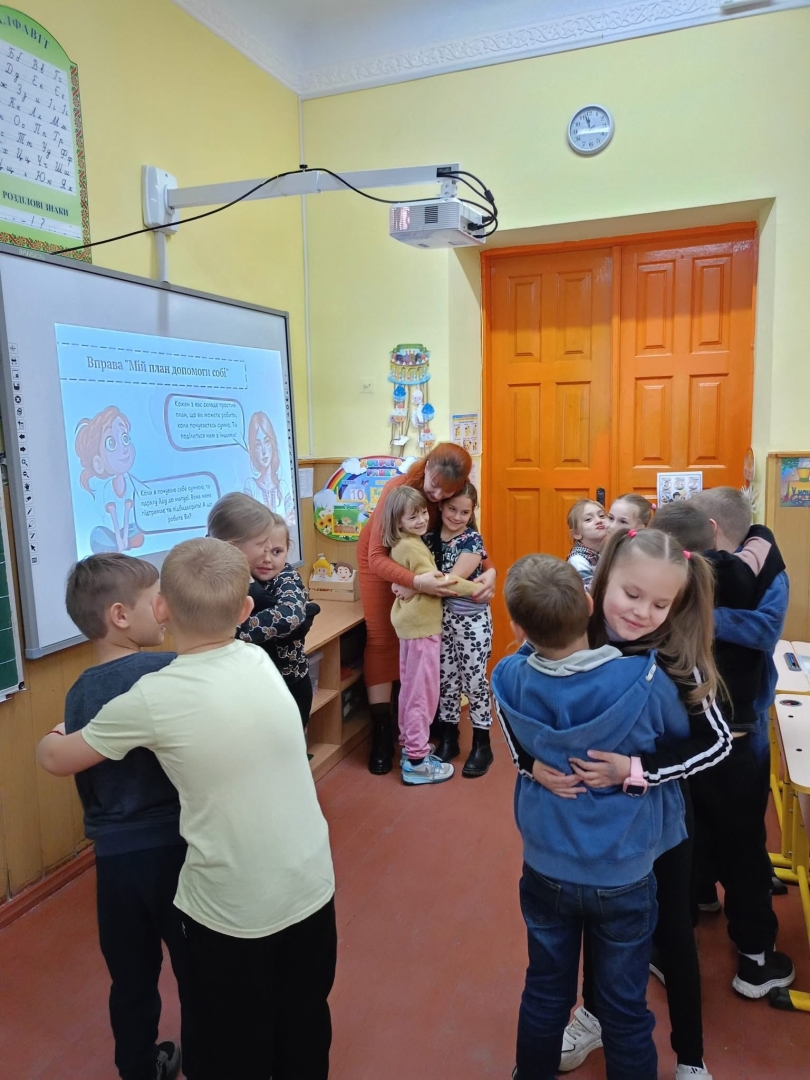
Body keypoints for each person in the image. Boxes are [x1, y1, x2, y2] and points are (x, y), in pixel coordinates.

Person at [37, 538, 336, 1080]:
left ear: (162, 609)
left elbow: (59, 759)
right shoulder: (257, 658)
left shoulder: (155, 695)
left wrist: (54, 735)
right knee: (303, 1022)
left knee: (226, 1041)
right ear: (245, 610)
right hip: (312, 885)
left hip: (232, 912)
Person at [501, 528, 729, 1079]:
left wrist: (636, 771)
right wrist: (529, 764)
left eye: (660, 604)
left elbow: (716, 741)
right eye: (631, 594)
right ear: (599, 585)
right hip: (589, 847)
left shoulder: (672, 654)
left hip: (657, 825)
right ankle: (593, 1017)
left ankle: (690, 1057)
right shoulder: (573, 629)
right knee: (601, 956)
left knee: (670, 933)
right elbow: (516, 713)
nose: (642, 613)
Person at [652, 492, 795, 1000]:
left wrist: (687, 616)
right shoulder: (687, 571)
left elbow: (764, 630)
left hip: (729, 730)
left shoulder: (757, 567)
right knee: (701, 835)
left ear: (712, 530)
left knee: (729, 839)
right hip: (702, 735)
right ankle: (715, 939)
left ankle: (748, 956)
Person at [61, 553, 191, 1080]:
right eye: (156, 600)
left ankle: (138, 1068)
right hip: (177, 849)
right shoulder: (167, 670)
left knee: (131, 977)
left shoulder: (78, 693)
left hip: (115, 860)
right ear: (120, 615)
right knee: (196, 967)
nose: (166, 609)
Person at [357, 443, 496, 775]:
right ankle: (382, 734)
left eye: (445, 493)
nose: (437, 496)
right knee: (382, 639)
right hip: (383, 562)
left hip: (425, 567)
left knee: (426, 651)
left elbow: (471, 537)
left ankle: (426, 727)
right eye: (433, 486)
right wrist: (414, 582)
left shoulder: (454, 491)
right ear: (428, 465)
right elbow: (376, 557)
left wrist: (491, 570)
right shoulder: (399, 488)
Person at [380, 486, 478, 785]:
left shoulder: (406, 543)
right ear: (398, 521)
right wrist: (477, 589)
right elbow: (439, 582)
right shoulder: (411, 547)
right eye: (413, 517)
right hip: (422, 628)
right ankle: (417, 761)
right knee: (422, 693)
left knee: (412, 690)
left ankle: (412, 749)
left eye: (423, 512)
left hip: (412, 626)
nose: (422, 519)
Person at [207, 492, 318, 728]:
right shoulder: (220, 579)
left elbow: (290, 615)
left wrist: (234, 632)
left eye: (276, 551)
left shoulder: (285, 577)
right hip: (243, 687)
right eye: (261, 548)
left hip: (287, 684)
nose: (267, 559)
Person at [428, 482, 495, 778]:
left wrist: (411, 584)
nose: (457, 516)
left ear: (472, 512)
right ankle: (449, 738)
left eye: (464, 512)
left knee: (475, 680)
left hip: (472, 622)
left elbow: (451, 583)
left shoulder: (472, 540)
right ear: (441, 506)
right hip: (441, 621)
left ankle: (482, 743)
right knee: (446, 681)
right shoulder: (429, 539)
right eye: (452, 509)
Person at [75, 405, 145, 554]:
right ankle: (117, 547)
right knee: (97, 536)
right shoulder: (108, 488)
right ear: (98, 463)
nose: (124, 448)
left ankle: (122, 545)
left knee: (140, 528)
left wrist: (124, 540)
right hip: (111, 533)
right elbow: (114, 520)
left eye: (125, 439)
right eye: (111, 443)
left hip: (125, 532)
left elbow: (126, 516)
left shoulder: (130, 485)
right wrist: (120, 543)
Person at [243, 411, 296, 532]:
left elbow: (291, 524)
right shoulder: (250, 486)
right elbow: (248, 527)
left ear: (273, 444)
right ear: (253, 450)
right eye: (258, 445)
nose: (264, 451)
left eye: (267, 442)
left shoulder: (283, 487)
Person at [566, 499, 608, 588]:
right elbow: (589, 592)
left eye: (602, 516)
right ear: (577, 534)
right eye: (588, 519)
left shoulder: (607, 552)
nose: (599, 520)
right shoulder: (578, 560)